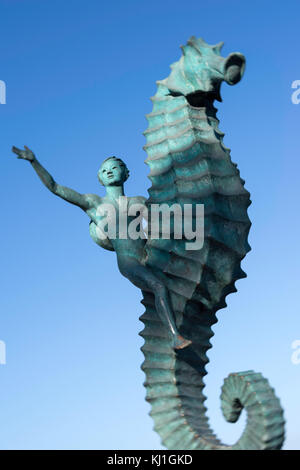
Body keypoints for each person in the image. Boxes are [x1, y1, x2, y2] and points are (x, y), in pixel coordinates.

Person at [12, 145, 192, 350]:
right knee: (158, 286)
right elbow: (55, 187)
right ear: (100, 178)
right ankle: (175, 337)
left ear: (126, 174)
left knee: (178, 284)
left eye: (115, 167)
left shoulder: (139, 201)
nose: (109, 171)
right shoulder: (94, 203)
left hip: (151, 255)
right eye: (104, 169)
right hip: (129, 261)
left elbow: (166, 220)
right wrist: (34, 161)